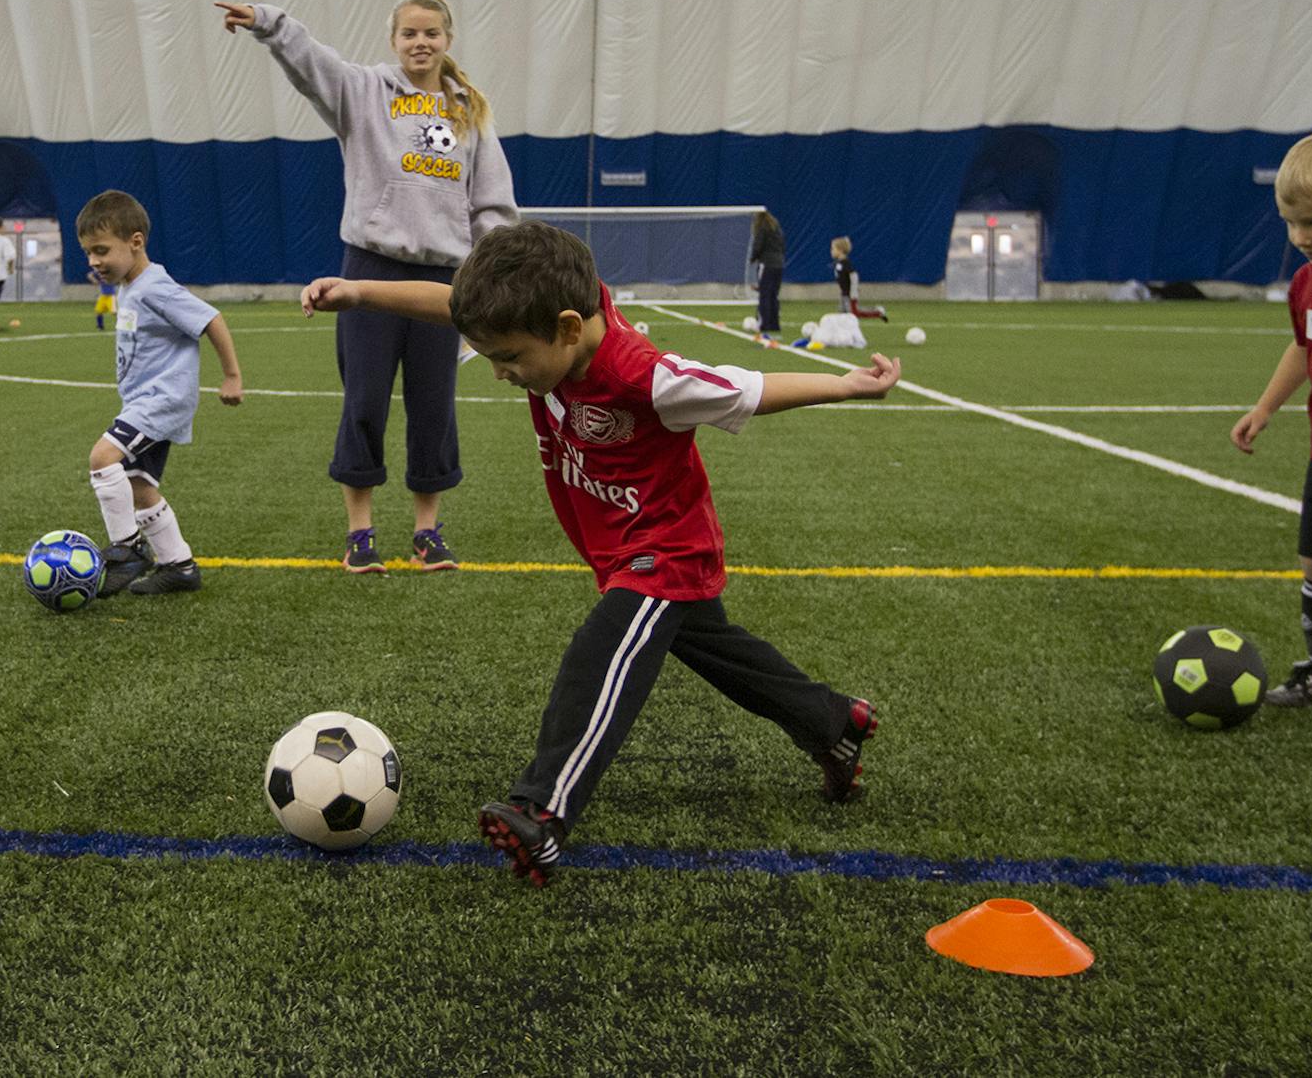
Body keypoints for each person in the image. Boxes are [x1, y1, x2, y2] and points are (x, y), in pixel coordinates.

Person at [302, 221, 899, 885]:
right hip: (617, 546)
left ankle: (544, 812)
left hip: (663, 548)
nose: (501, 373)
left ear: (564, 328)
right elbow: (449, 305)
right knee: (718, 651)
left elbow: (749, 389)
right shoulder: (544, 325)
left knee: (601, 653)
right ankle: (833, 722)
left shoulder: (646, 378)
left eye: (509, 357)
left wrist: (848, 385)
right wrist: (360, 292)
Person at [218, 0, 517, 575]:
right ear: (394, 40)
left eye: (430, 33)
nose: (420, 43)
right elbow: (312, 64)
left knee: (434, 406)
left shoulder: (469, 113)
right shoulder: (363, 94)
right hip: (370, 270)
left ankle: (428, 534)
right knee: (364, 402)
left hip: (443, 280)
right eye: (409, 34)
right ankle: (361, 535)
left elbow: (491, 206)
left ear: (448, 40)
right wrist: (269, 24)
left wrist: (497, 273)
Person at [1232, 131, 1312, 729]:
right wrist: (1264, 408)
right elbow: (1306, 347)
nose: (1303, 237)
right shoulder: (1308, 283)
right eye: (1291, 223)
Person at [77, 190, 245, 596]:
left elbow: (211, 320)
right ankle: (179, 566)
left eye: (102, 250)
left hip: (162, 400)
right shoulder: (129, 286)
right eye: (88, 253)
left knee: (102, 457)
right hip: (142, 401)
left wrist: (232, 376)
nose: (94, 261)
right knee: (137, 484)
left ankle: (128, 547)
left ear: (136, 242)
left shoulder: (154, 286)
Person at [830, 236, 888, 321]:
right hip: (844, 294)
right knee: (842, 316)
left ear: (840, 250)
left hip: (850, 294)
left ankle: (878, 312)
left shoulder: (846, 263)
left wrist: (853, 291)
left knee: (854, 314)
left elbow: (854, 276)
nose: (831, 251)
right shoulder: (838, 263)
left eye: (833, 248)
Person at [749, 209, 785, 339]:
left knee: (765, 295)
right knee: (773, 295)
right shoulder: (777, 229)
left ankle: (764, 324)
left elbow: (758, 246)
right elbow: (782, 246)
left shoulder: (762, 229)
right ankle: (774, 324)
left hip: (767, 263)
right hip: (779, 264)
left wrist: (753, 258)